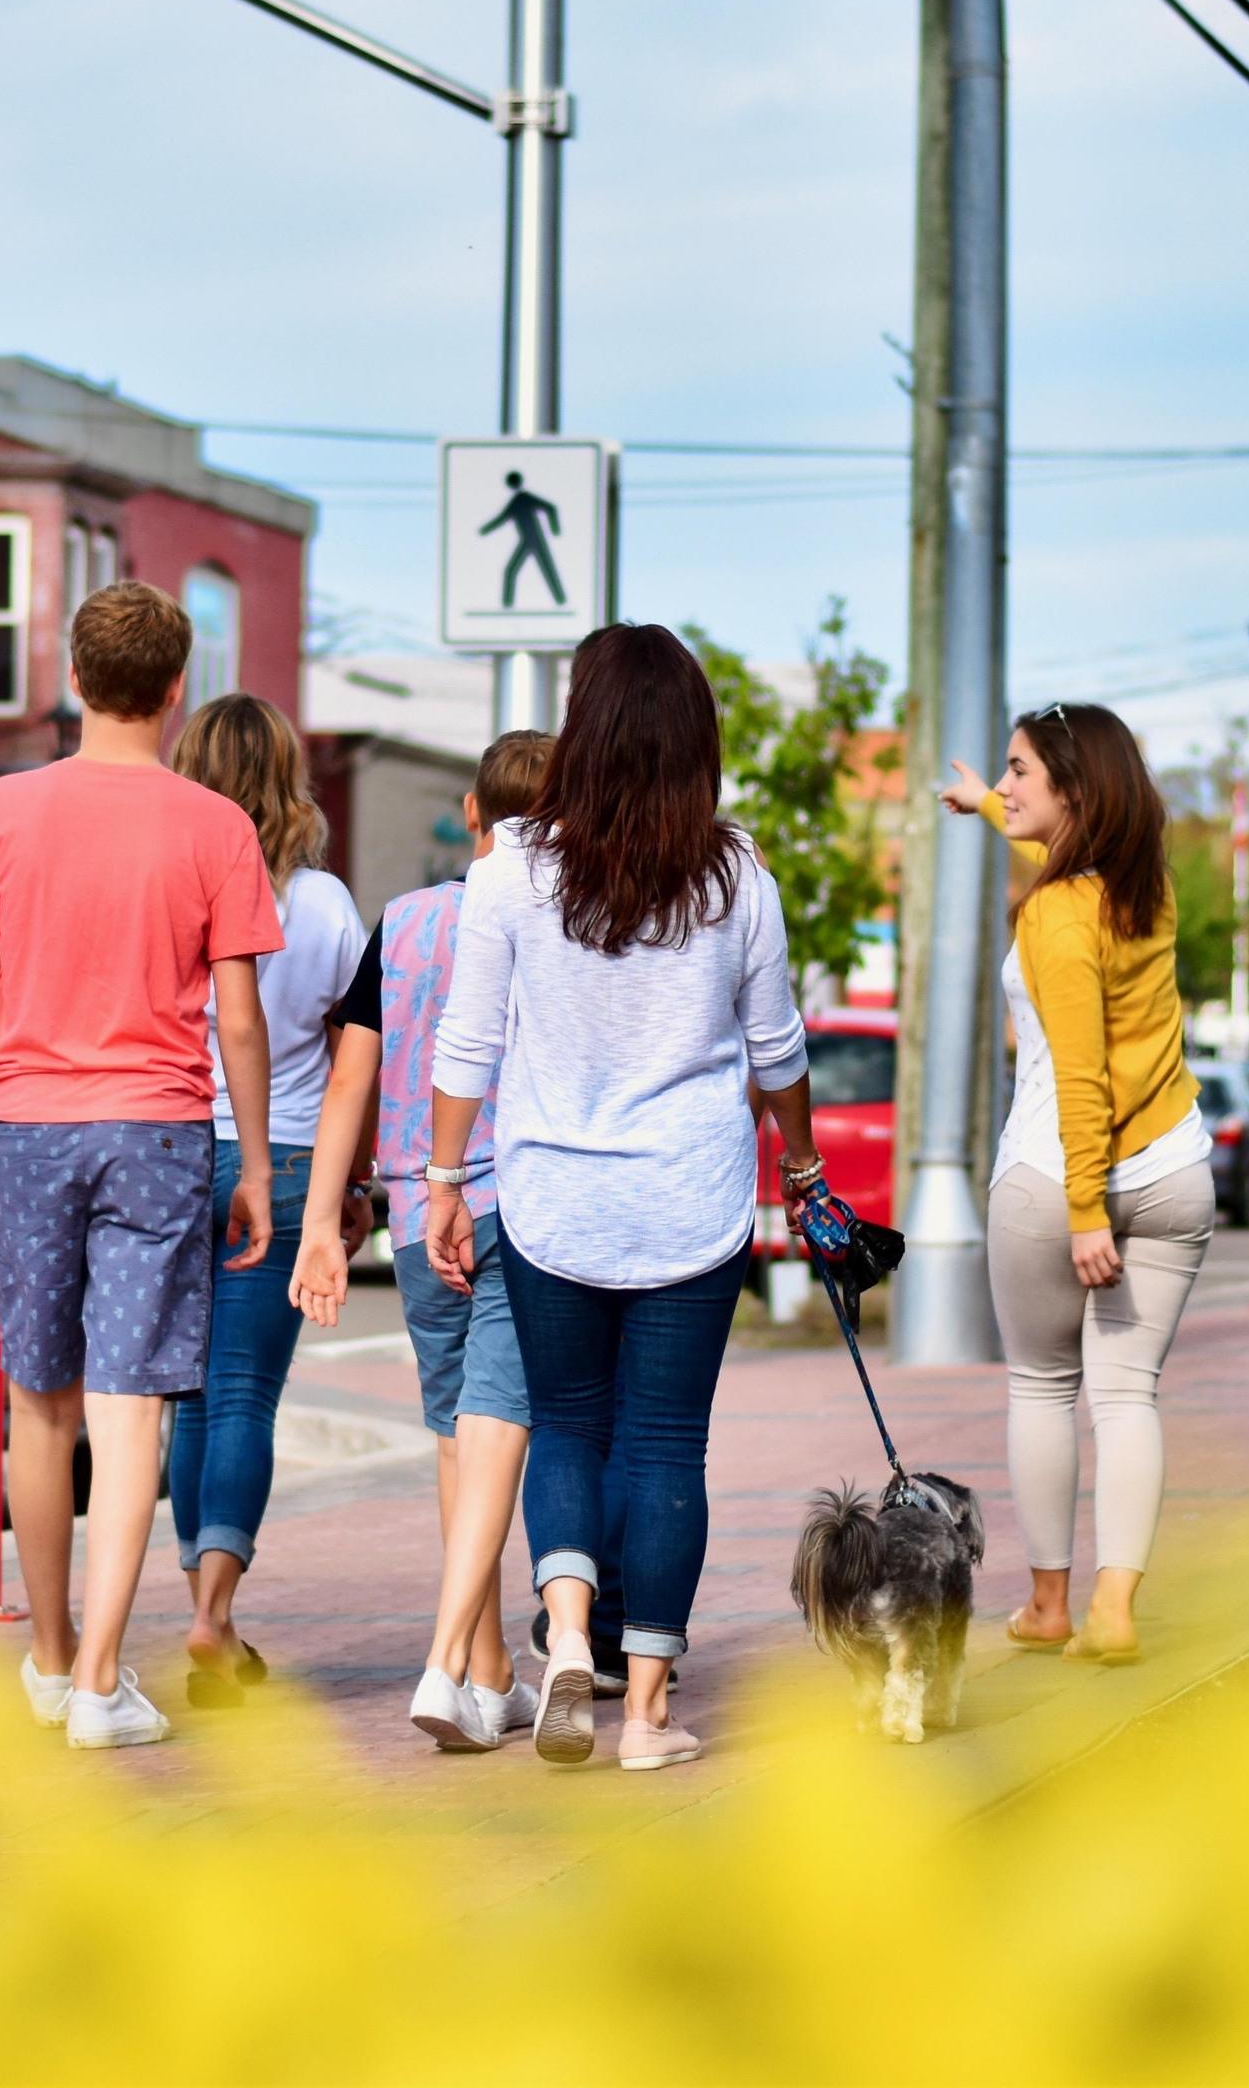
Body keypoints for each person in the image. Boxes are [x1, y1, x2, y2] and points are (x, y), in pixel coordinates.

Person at [425, 625, 816, 1772]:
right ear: (697, 742)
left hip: (552, 1196)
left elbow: (466, 1042)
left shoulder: (507, 875)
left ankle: (569, 1640)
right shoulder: (737, 874)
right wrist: (799, 1161)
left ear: (581, 734)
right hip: (691, 1201)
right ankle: (646, 1713)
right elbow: (777, 1046)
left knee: (571, 1429)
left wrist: (446, 1181)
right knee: (663, 1447)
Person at [0, 581, 280, 1750]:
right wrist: (254, 1161)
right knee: (133, 1413)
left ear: (74, 679)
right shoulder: (216, 829)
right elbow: (238, 1017)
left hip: (26, 1127)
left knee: (41, 1407)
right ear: (177, 691)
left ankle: (44, 1656)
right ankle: (98, 1683)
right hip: (157, 1129)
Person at [294, 729, 557, 1752]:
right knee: (502, 1432)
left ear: (470, 812)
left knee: (458, 1438)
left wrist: (327, 1215)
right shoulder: (559, 921)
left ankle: (489, 1671)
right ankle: (460, 1665)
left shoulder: (399, 923)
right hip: (516, 1203)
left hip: (414, 1208)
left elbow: (348, 1079)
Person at [934, 702, 1204, 1663]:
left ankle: (1050, 1607)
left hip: (1059, 1180)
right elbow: (1073, 890)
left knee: (1045, 1386)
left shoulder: (1053, 916)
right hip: (1175, 1169)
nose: (1003, 787)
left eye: (1017, 773)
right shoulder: (1147, 892)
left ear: (1074, 793)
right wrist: (985, 810)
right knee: (1128, 1395)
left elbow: (1081, 1073)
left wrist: (1088, 1210)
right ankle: (1117, 1610)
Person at [160, 691, 366, 1703]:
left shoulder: (164, 883)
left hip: (162, 1146)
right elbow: (350, 1065)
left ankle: (206, 1606)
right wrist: (347, 1189)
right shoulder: (325, 906)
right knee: (243, 1392)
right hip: (279, 1159)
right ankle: (213, 1614)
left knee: (185, 1398)